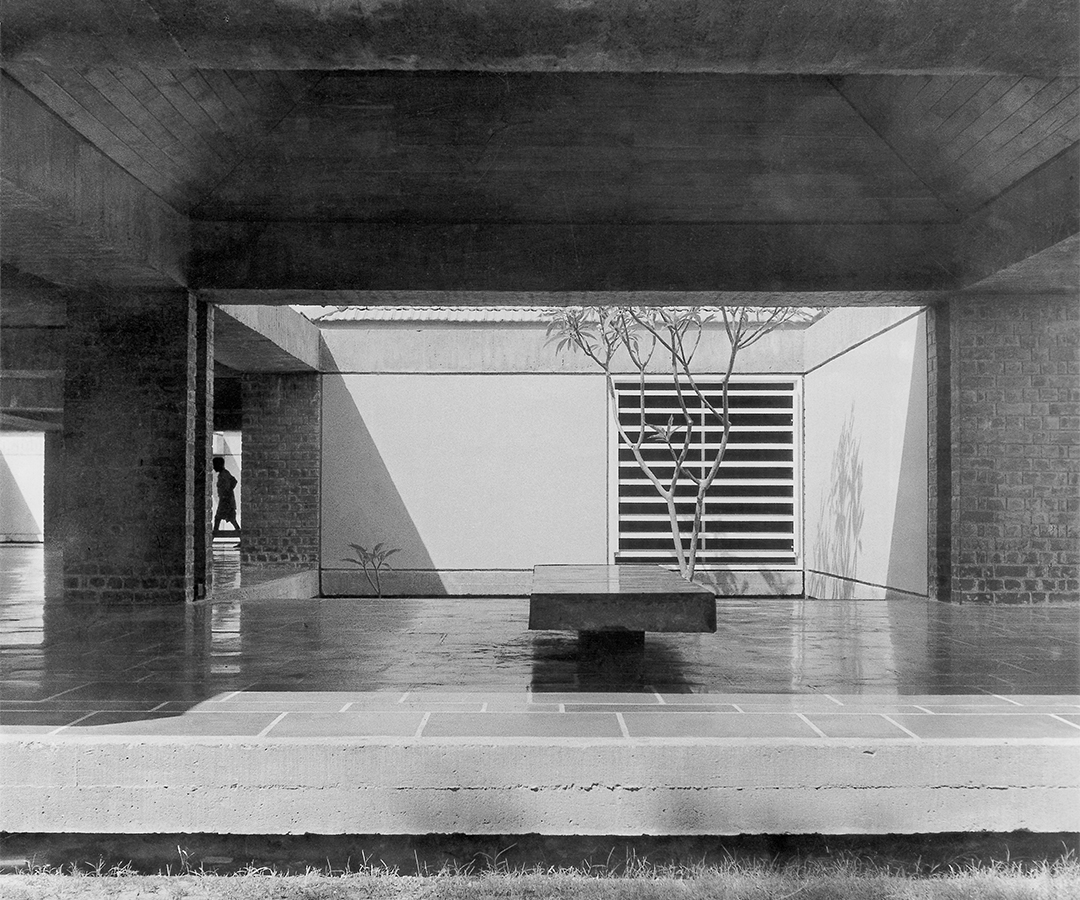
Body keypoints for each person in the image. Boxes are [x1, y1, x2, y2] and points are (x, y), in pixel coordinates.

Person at [212, 457, 240, 534]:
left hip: (226, 501)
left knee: (218, 518)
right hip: (226, 500)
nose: (213, 467)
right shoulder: (223, 474)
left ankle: (213, 536)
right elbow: (233, 481)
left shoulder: (224, 474)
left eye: (214, 465)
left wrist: (227, 492)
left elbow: (232, 482)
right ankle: (239, 534)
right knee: (230, 519)